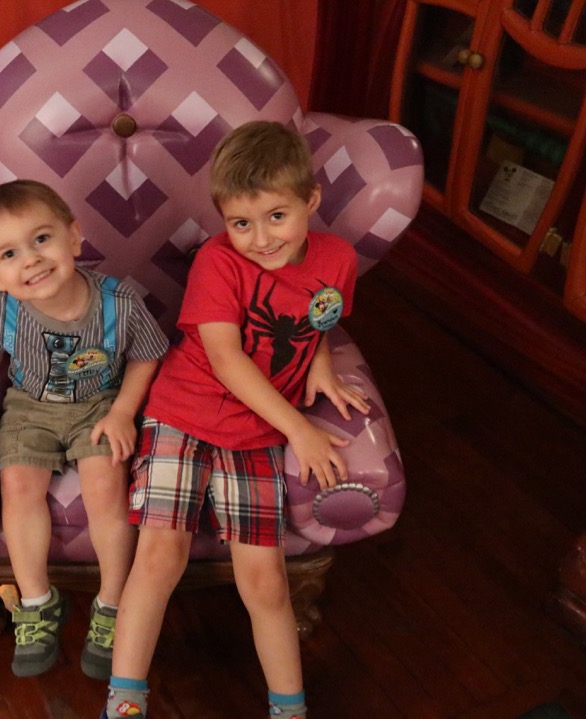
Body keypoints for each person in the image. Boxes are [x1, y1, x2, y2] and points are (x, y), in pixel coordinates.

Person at [101, 121, 370, 719]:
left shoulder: (338, 259)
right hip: (183, 413)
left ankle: (288, 708)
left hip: (255, 433)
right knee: (158, 558)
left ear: (311, 201)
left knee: (267, 582)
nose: (261, 238)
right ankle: (124, 700)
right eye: (241, 222)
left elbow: (319, 314)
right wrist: (300, 427)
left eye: (277, 216)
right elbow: (224, 357)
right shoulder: (217, 262)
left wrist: (320, 364)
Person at [0, 179, 169, 679]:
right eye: (10, 253)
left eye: (42, 240)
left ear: (74, 237)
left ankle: (114, 602)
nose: (30, 260)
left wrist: (122, 413)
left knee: (105, 484)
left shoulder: (120, 302)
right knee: (20, 486)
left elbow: (145, 357)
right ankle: (37, 603)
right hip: (29, 406)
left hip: (99, 403)